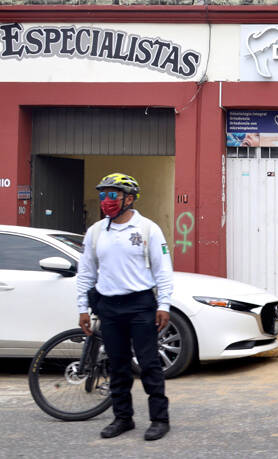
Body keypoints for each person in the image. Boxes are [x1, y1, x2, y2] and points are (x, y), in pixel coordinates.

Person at [76, 173, 173, 441]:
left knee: (149, 364)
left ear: (129, 199)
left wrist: (163, 304)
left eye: (112, 195)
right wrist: (83, 308)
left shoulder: (148, 229)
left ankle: (159, 419)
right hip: (109, 306)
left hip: (140, 305)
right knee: (117, 365)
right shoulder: (95, 232)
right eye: (103, 195)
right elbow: (86, 273)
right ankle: (123, 418)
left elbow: (163, 269)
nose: (106, 201)